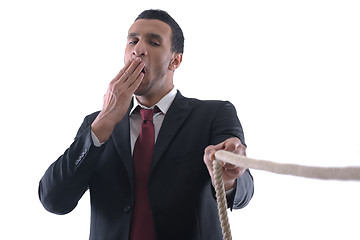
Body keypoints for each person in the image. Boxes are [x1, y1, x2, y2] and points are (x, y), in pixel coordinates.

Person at [39, 9, 254, 240]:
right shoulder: (95, 124)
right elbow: (54, 200)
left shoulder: (214, 113)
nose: (138, 49)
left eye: (153, 42)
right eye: (133, 41)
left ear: (176, 60)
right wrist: (104, 122)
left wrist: (230, 176)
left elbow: (243, 195)